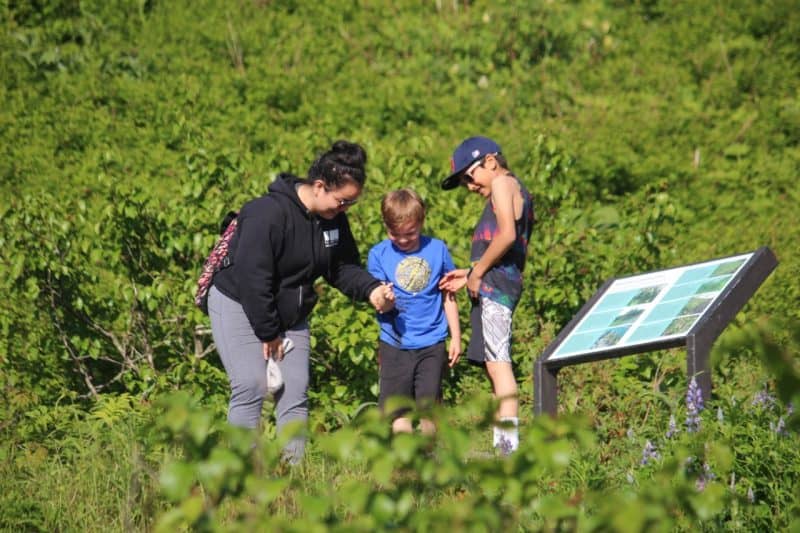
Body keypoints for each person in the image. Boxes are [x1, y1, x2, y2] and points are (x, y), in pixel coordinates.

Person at [208, 140, 395, 463]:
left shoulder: (333, 220)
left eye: (350, 204)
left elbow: (341, 267)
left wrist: (371, 289)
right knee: (251, 386)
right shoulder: (266, 214)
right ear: (319, 186)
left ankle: (290, 481)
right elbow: (254, 278)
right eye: (342, 201)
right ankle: (240, 480)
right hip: (239, 301)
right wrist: (268, 333)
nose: (344, 209)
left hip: (290, 313)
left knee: (294, 390)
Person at [438, 136, 535, 455]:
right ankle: (501, 448)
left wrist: (477, 274)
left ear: (491, 162)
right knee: (494, 368)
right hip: (495, 284)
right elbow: (512, 251)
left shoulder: (503, 184)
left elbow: (507, 235)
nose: (468, 185)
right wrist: (469, 273)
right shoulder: (511, 188)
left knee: (499, 366)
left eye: (470, 175)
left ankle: (508, 452)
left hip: (495, 290)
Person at [367, 189, 461, 435]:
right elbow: (379, 303)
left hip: (432, 341)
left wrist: (456, 337)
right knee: (399, 410)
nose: (403, 240)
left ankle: (430, 459)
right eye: (395, 234)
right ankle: (405, 462)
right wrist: (385, 298)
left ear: (421, 222)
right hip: (395, 343)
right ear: (386, 227)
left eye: (410, 233)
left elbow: (448, 295)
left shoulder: (437, 250)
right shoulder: (378, 254)